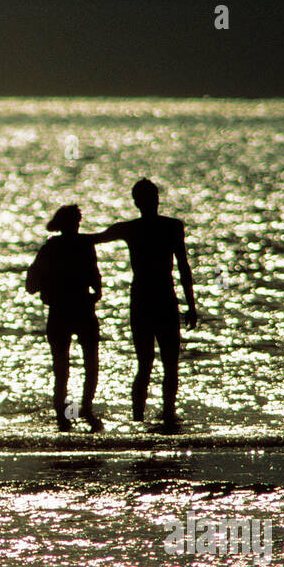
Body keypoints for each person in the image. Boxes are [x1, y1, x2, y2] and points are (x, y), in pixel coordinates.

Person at [86, 179, 196, 428]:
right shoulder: (168, 227)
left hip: (149, 299)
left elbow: (93, 239)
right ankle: (161, 415)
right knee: (163, 363)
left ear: (138, 202)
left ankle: (145, 417)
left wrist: (66, 237)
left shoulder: (134, 229)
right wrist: (191, 304)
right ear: (152, 200)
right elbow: (183, 267)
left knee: (148, 363)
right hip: (158, 299)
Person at [26, 205, 104, 432]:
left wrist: (46, 288)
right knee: (90, 362)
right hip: (81, 308)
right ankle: (85, 409)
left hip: (60, 310)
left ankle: (63, 414)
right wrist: (94, 295)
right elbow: (95, 279)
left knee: (61, 366)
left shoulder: (50, 248)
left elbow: (31, 284)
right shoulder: (84, 245)